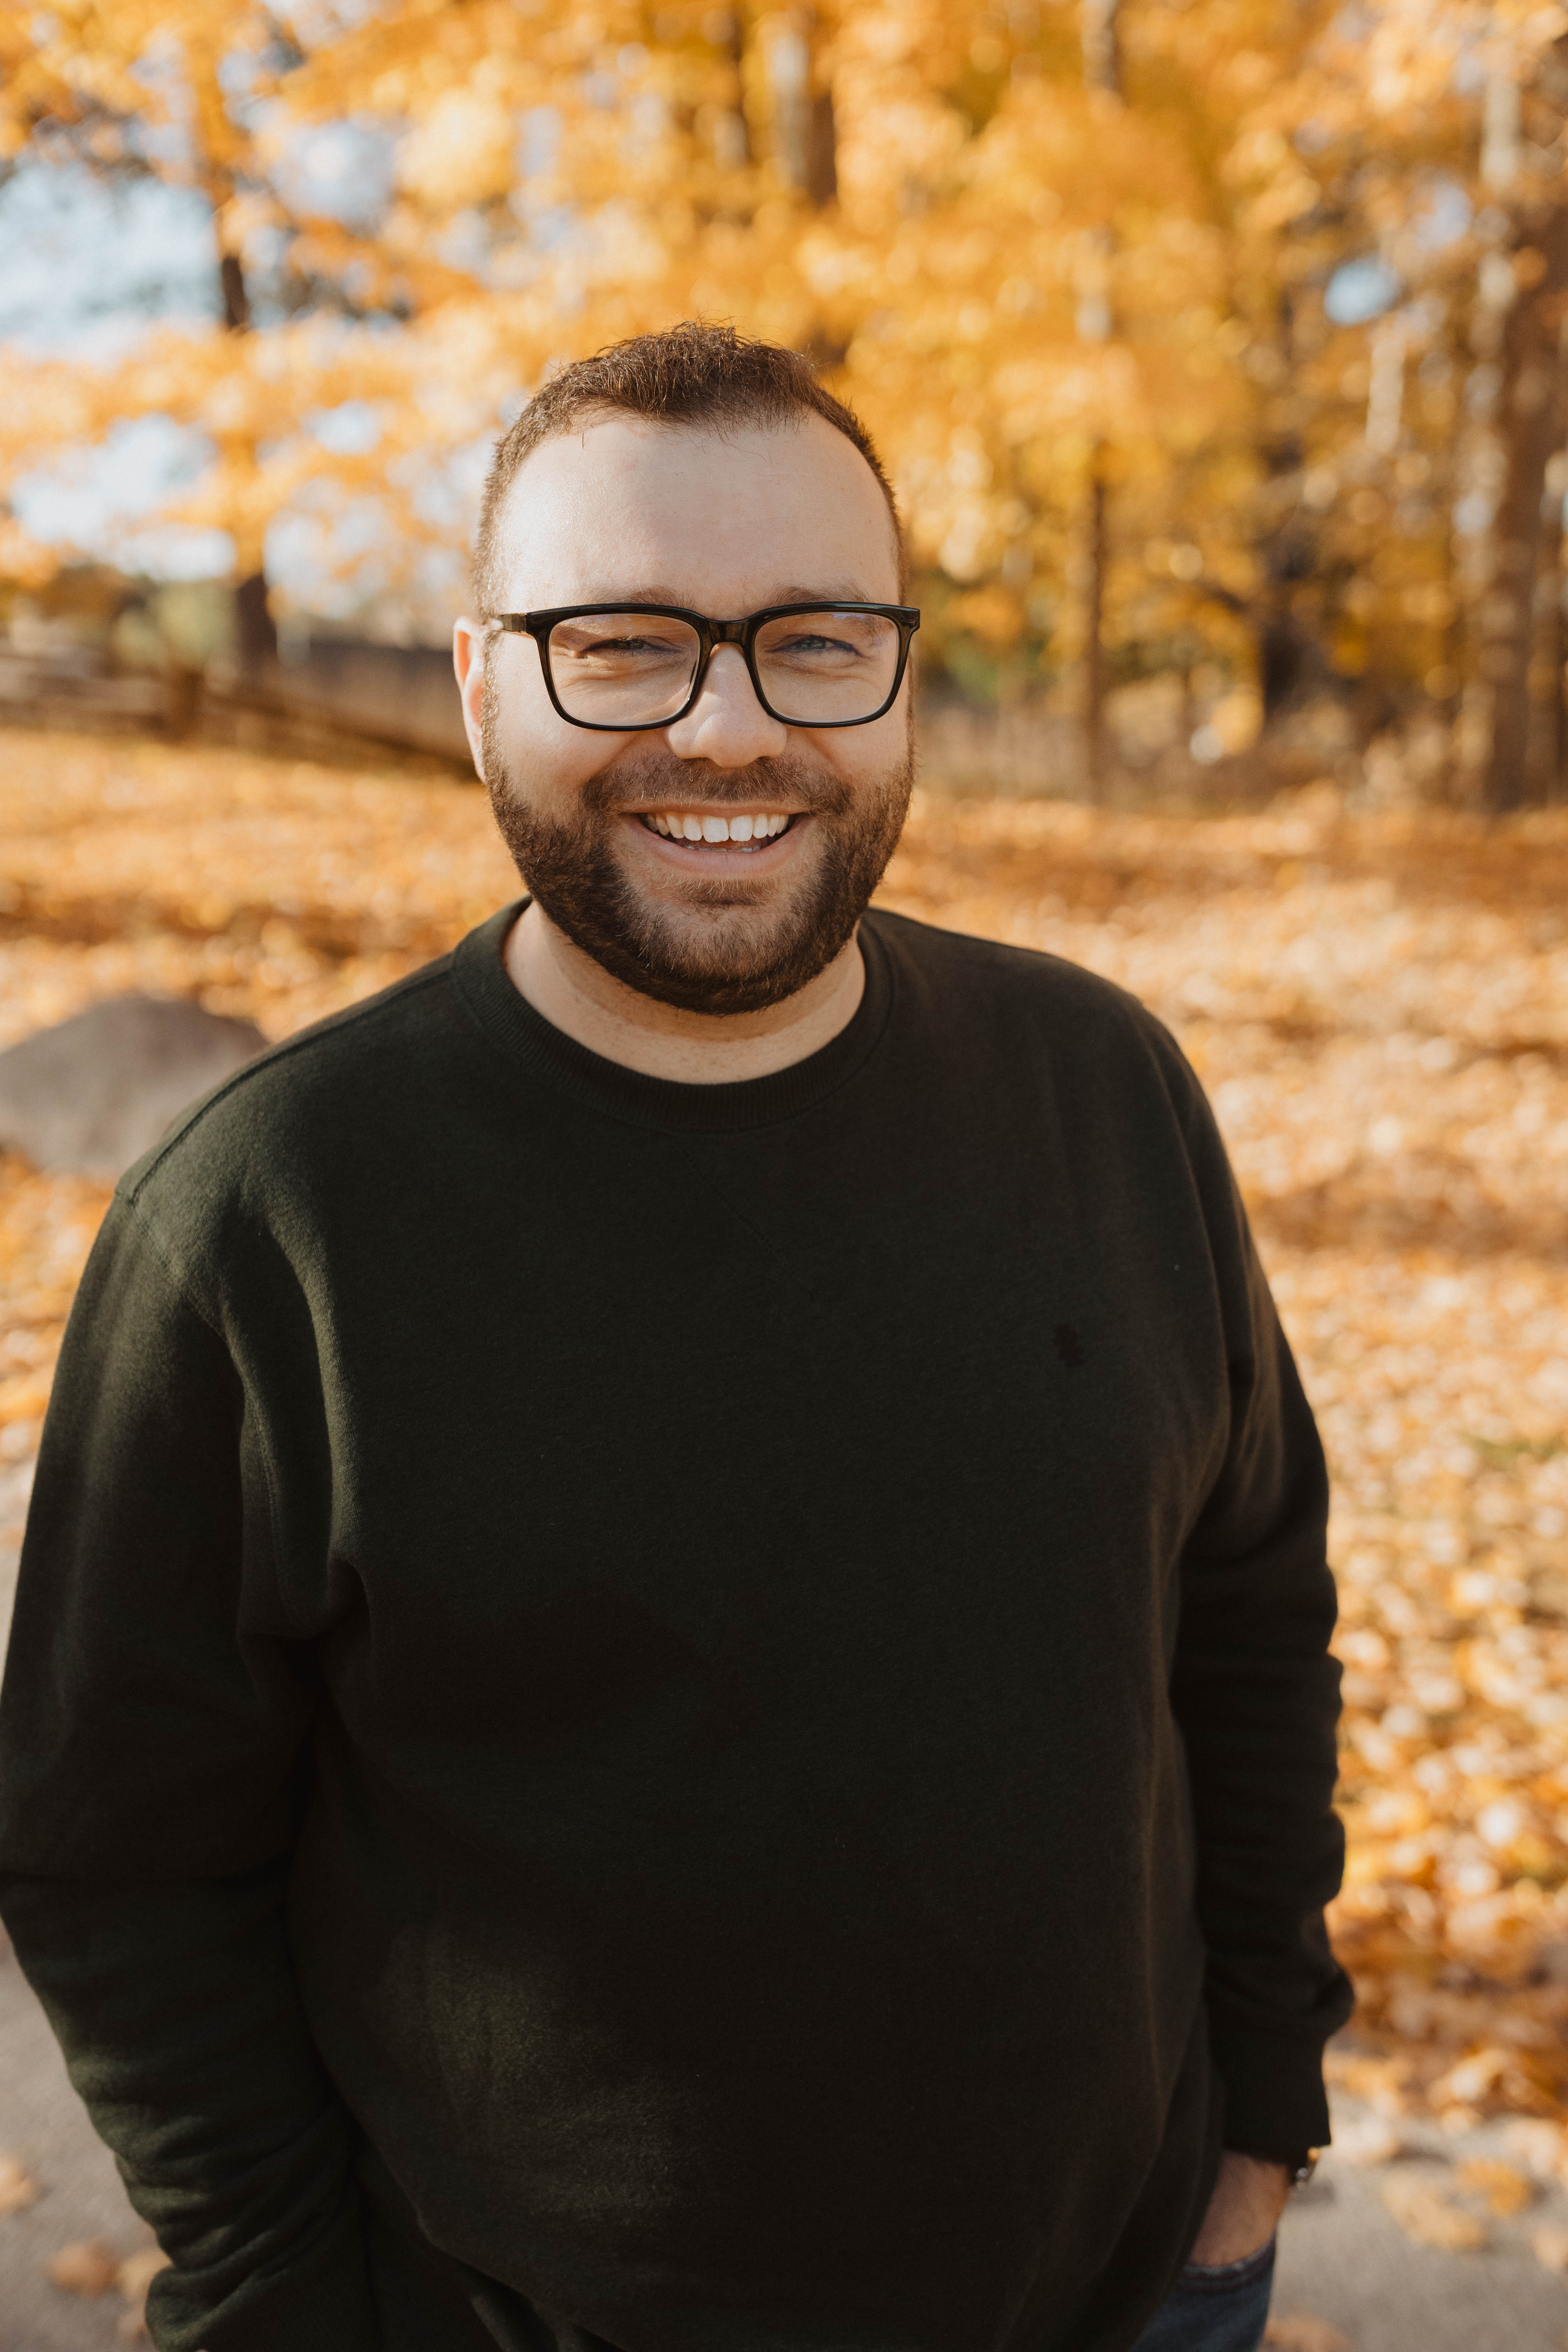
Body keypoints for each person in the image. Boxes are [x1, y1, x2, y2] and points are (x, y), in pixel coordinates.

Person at [0, 321, 1350, 2352]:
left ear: (899, 673)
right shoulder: (264, 1223)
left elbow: (1248, 1611)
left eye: (816, 639)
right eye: (620, 643)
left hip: (1138, 2296)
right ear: (479, 688)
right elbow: (111, 1857)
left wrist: (1259, 2126)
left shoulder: (1108, 1094)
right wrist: (288, 2296)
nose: (728, 731)